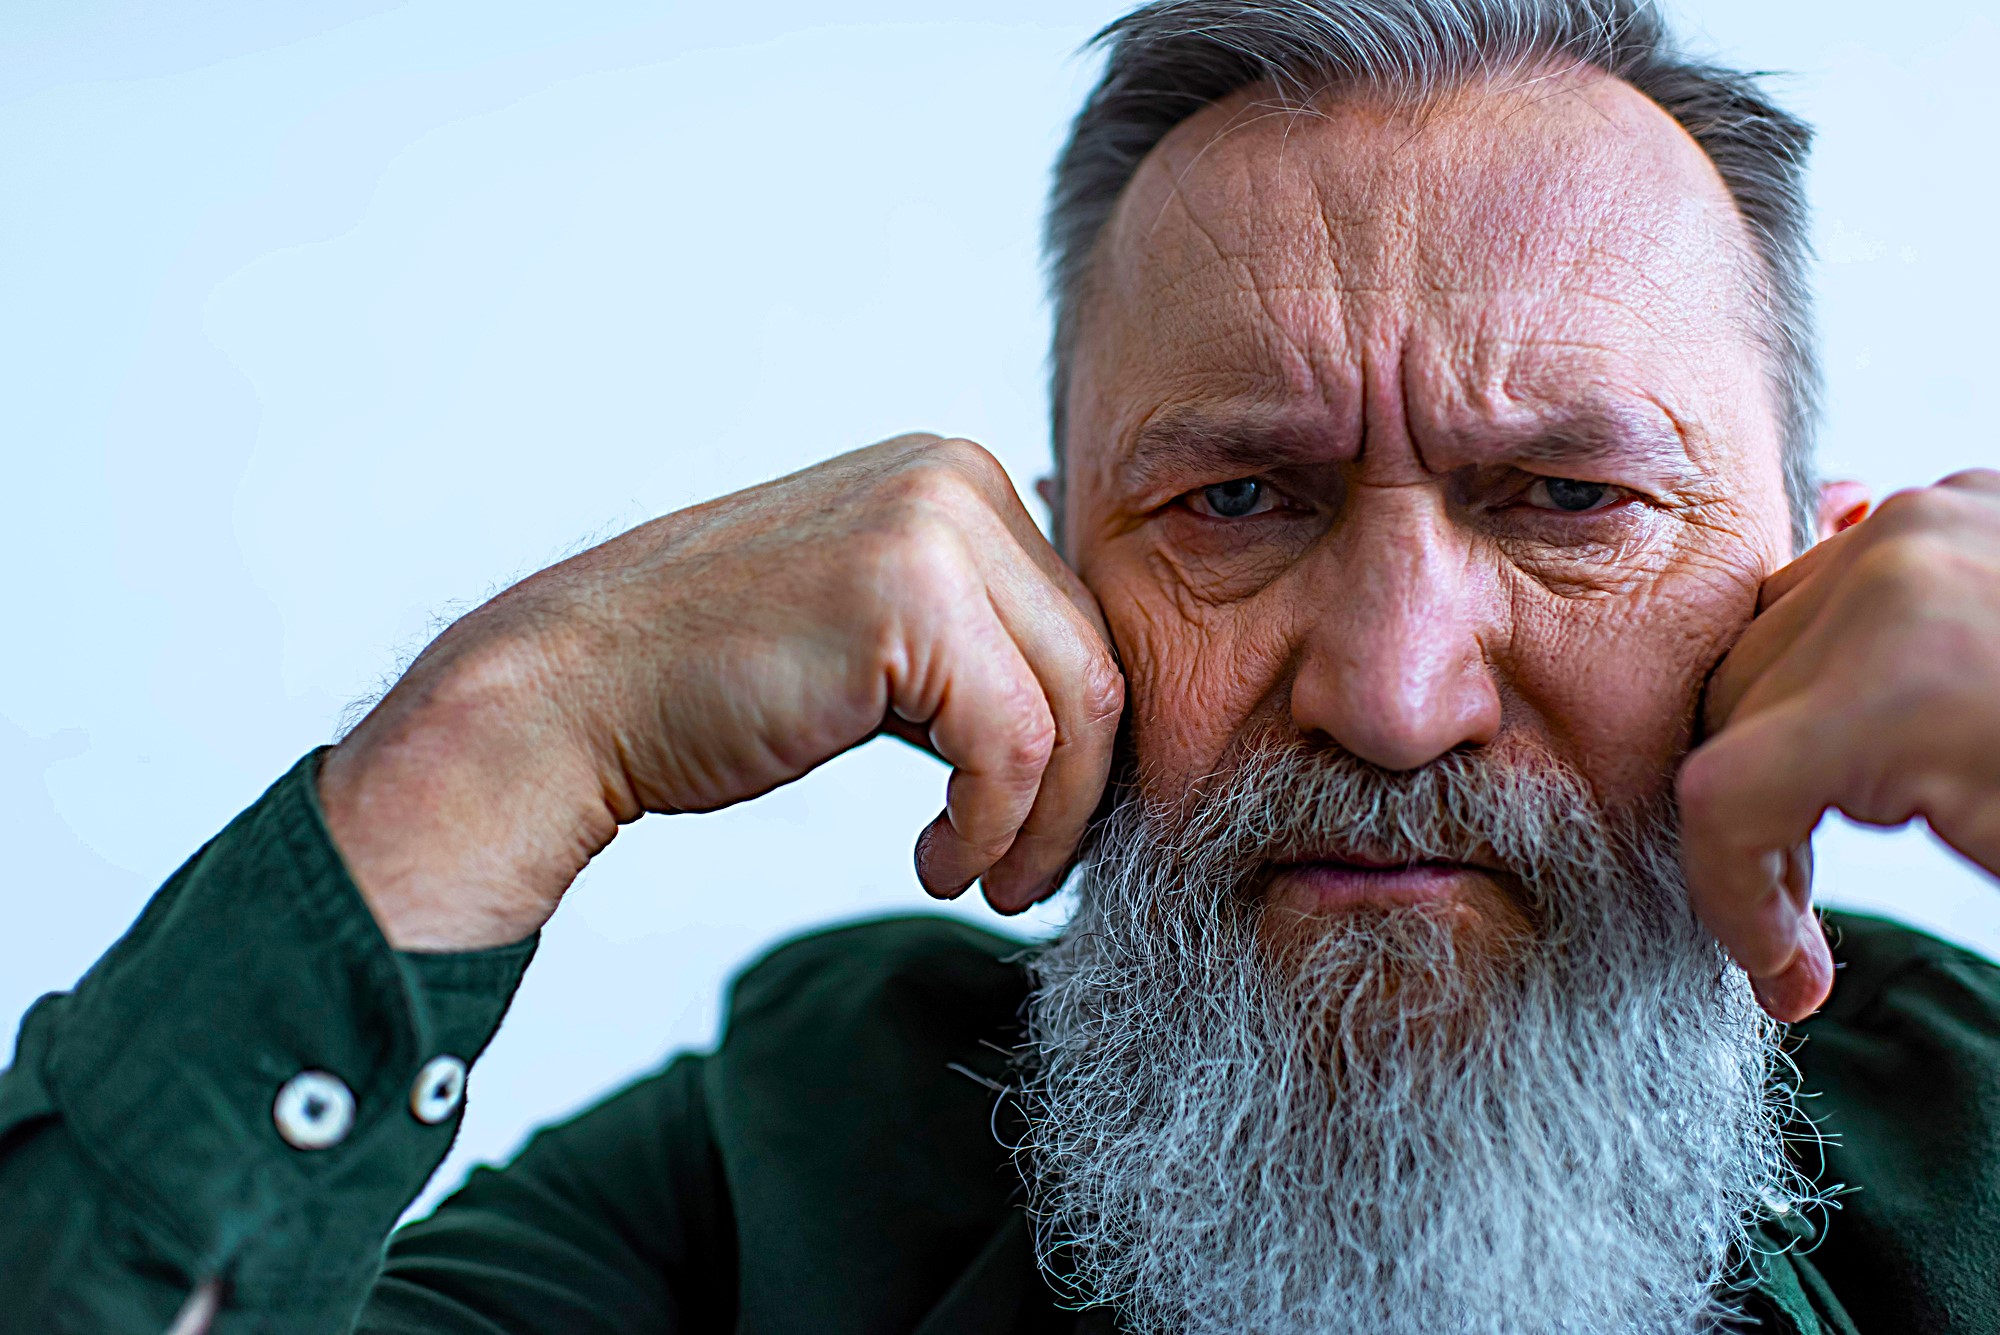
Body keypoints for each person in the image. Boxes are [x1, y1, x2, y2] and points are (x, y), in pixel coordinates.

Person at [6, 0, 2000, 1330]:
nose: (1393, 695)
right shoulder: (769, 1185)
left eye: (1568, 497)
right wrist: (506, 731)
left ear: (1807, 589)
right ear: (1047, 593)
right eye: (1233, 498)